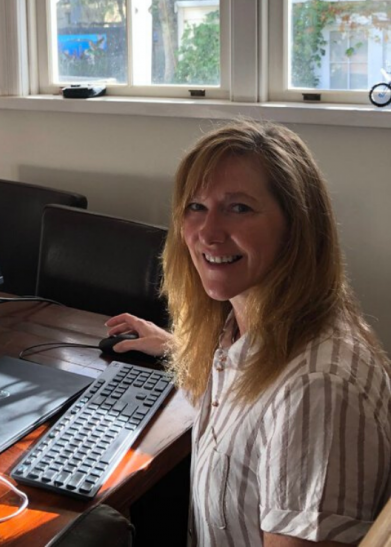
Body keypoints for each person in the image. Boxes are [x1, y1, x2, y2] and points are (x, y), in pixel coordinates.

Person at [105, 121, 391, 547]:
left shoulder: (317, 392)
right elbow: (245, 418)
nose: (208, 232)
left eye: (239, 208)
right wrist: (180, 348)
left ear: (296, 227)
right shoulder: (242, 330)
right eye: (195, 207)